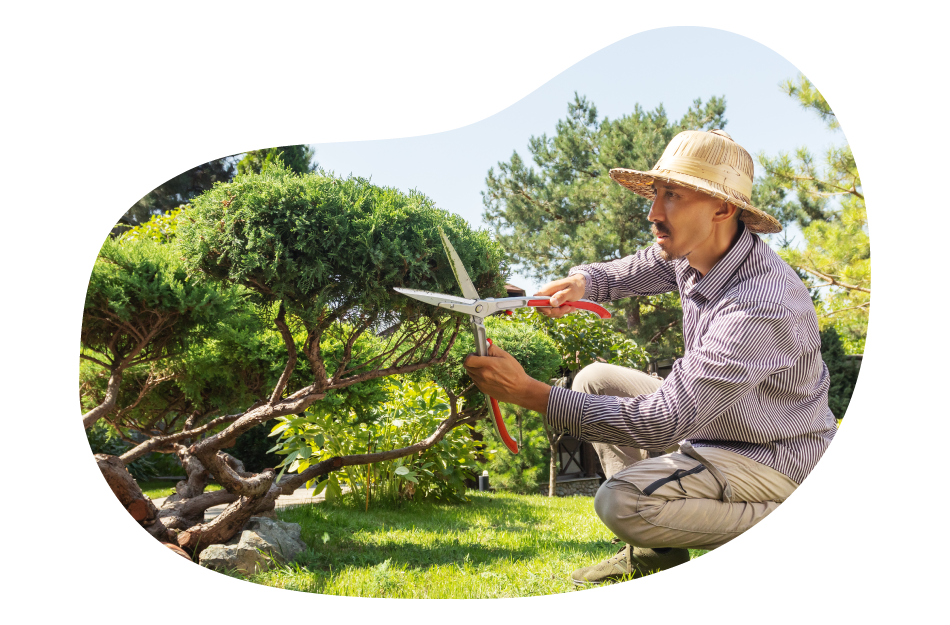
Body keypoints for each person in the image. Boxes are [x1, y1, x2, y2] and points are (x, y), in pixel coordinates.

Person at [463, 129, 837, 586]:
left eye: (673, 196)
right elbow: (635, 268)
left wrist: (531, 394)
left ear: (722, 208)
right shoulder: (696, 251)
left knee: (620, 502)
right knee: (596, 379)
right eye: (656, 193)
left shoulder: (760, 304)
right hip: (720, 423)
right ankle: (654, 555)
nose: (653, 212)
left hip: (769, 456)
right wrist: (584, 282)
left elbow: (664, 423)